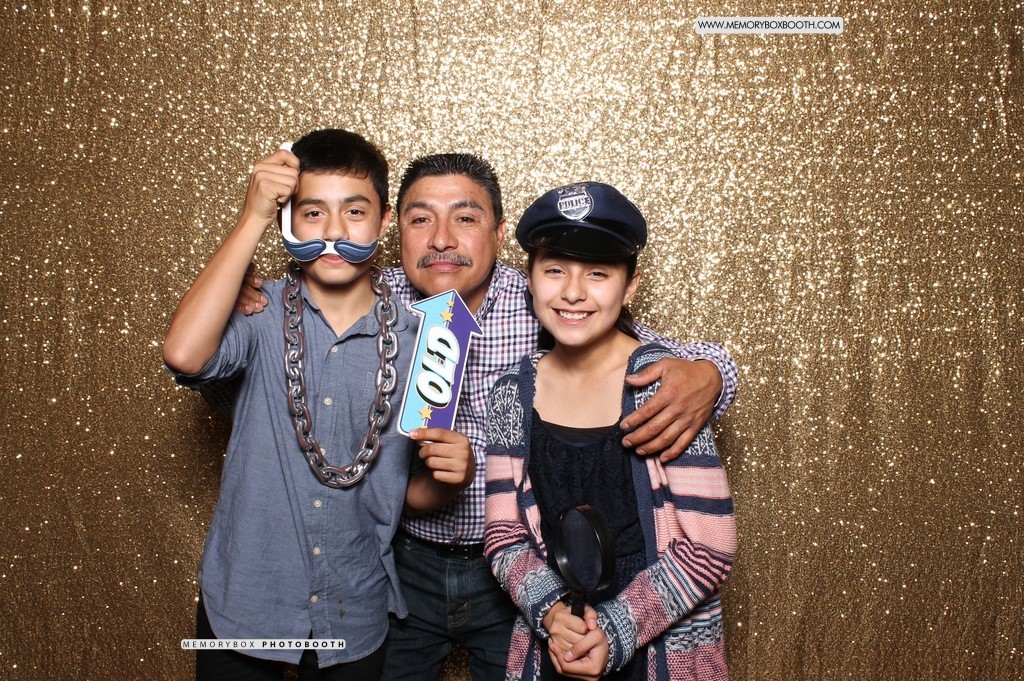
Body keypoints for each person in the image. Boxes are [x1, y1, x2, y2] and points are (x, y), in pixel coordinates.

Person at [230, 153, 739, 681]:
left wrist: (711, 374)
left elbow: (640, 355)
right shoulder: (368, 299)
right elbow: (269, 348)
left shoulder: (545, 300)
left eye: (465, 218)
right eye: (421, 219)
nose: (441, 239)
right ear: (393, 230)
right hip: (404, 561)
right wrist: (246, 298)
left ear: (498, 233)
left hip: (520, 574)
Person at [163, 129, 473, 680]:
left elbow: (407, 495)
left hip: (354, 609)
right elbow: (184, 355)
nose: (333, 232)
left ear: (383, 223)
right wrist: (253, 217)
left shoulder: (430, 344)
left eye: (354, 212)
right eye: (312, 213)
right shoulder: (257, 313)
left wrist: (452, 477)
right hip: (245, 599)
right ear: (288, 221)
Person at [484, 182, 736, 681]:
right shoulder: (512, 389)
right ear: (529, 279)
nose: (573, 292)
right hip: (555, 644)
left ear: (630, 285)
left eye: (597, 273)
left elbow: (710, 546)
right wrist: (552, 614)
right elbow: (503, 531)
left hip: (660, 646)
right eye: (554, 270)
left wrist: (617, 630)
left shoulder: (664, 387)